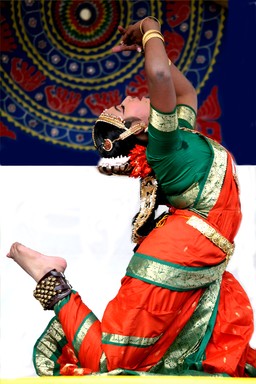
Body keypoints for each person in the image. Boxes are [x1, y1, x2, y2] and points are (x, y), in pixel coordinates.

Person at [7, 17, 256, 377]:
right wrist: (149, 27)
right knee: (110, 361)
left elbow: (185, 92)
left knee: (191, 338)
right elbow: (158, 77)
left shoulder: (180, 132)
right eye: (123, 109)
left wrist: (145, 44)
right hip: (180, 247)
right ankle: (50, 276)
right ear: (137, 130)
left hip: (194, 246)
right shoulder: (163, 145)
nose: (127, 96)